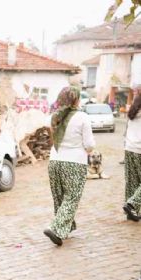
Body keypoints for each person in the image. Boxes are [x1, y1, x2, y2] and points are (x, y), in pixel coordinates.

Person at [44, 87, 95, 246]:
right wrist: (90, 149)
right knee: (71, 197)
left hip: (54, 161)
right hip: (74, 162)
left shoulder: (54, 117)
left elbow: (53, 139)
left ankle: (66, 227)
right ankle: (56, 228)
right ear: (76, 100)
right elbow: (89, 145)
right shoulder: (83, 117)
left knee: (60, 197)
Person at [123, 91, 141, 222]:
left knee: (132, 182)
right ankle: (132, 204)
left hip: (129, 149)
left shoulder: (132, 113)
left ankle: (131, 212)